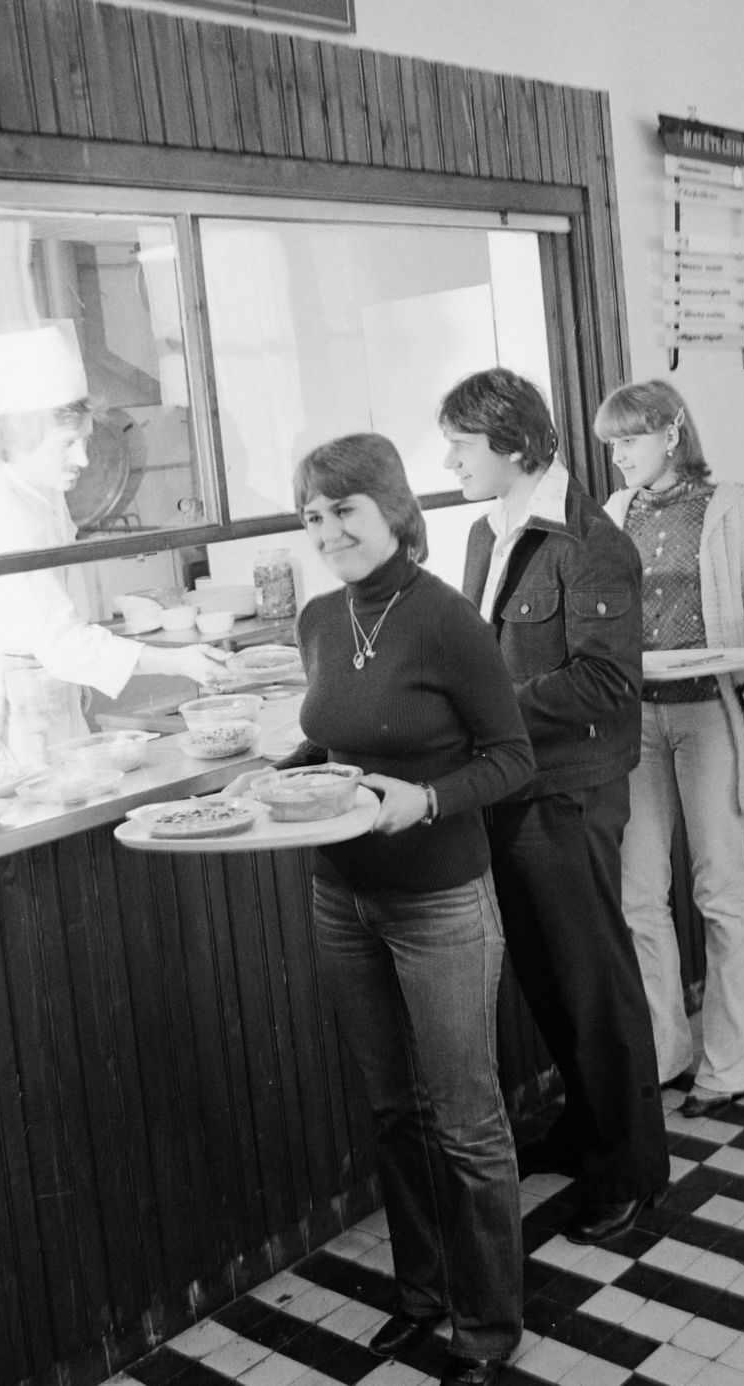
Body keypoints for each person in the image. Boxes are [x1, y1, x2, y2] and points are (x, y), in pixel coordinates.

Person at [287, 433, 535, 1386]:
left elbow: (511, 758)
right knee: (394, 1112)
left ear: (393, 508)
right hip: (342, 898)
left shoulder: (445, 620)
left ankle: (488, 1325)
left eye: (344, 509)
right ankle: (424, 1294)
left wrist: (424, 800)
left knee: (464, 1118)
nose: (328, 531)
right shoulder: (318, 620)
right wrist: (270, 783)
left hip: (440, 902)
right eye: (313, 515)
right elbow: (333, 743)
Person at [443, 367, 668, 1245]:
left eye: (461, 446)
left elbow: (608, 681)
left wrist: (488, 709)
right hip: (509, 790)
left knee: (593, 983)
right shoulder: (484, 533)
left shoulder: (590, 541)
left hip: (569, 795)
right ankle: (586, 1131)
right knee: (548, 979)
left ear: (511, 444)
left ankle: (631, 1169)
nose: (452, 462)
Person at [596, 380, 744, 1118]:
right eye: (612, 444)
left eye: (630, 441)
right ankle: (665, 1050)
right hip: (638, 719)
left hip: (711, 715)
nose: (619, 457)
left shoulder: (729, 508)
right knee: (638, 895)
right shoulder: (613, 513)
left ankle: (731, 1061)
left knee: (719, 889)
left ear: (672, 434)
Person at [0, 321, 229, 778]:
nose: (84, 459)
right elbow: (62, 641)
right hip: (14, 714)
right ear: (23, 436)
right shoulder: (6, 517)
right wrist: (176, 660)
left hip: (47, 690)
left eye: (86, 440)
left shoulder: (43, 494)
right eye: (68, 443)